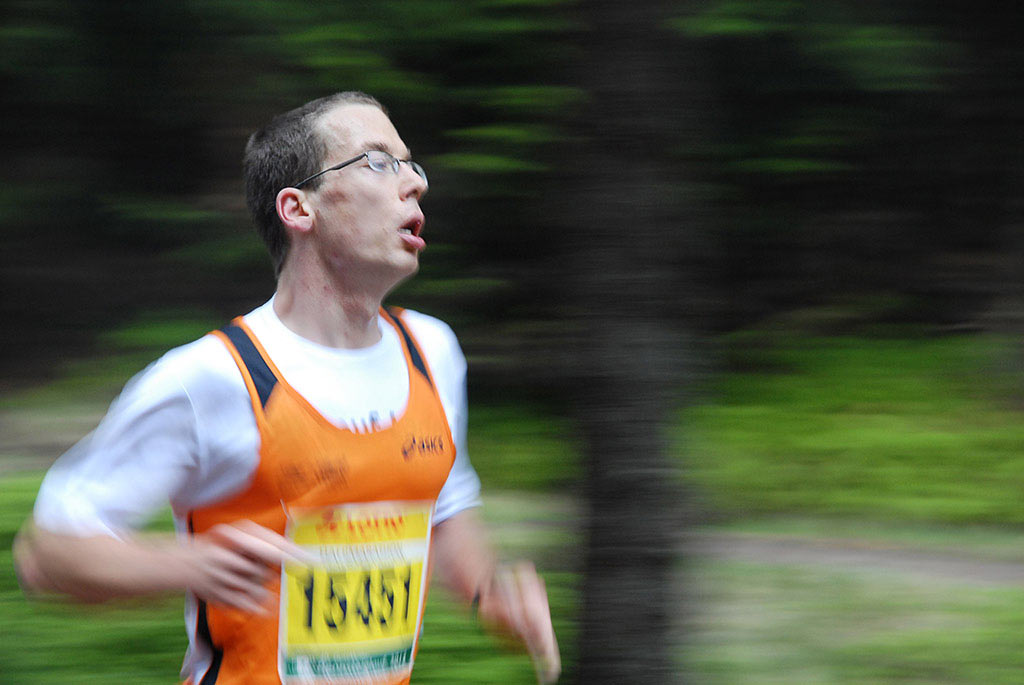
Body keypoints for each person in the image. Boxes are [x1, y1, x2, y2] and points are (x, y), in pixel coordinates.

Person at [13, 92, 560, 685]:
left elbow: (446, 506)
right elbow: (47, 556)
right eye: (378, 161)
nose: (414, 184)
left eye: (412, 164)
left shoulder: (433, 353)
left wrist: (486, 594)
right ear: (298, 209)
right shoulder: (213, 378)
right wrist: (189, 564)